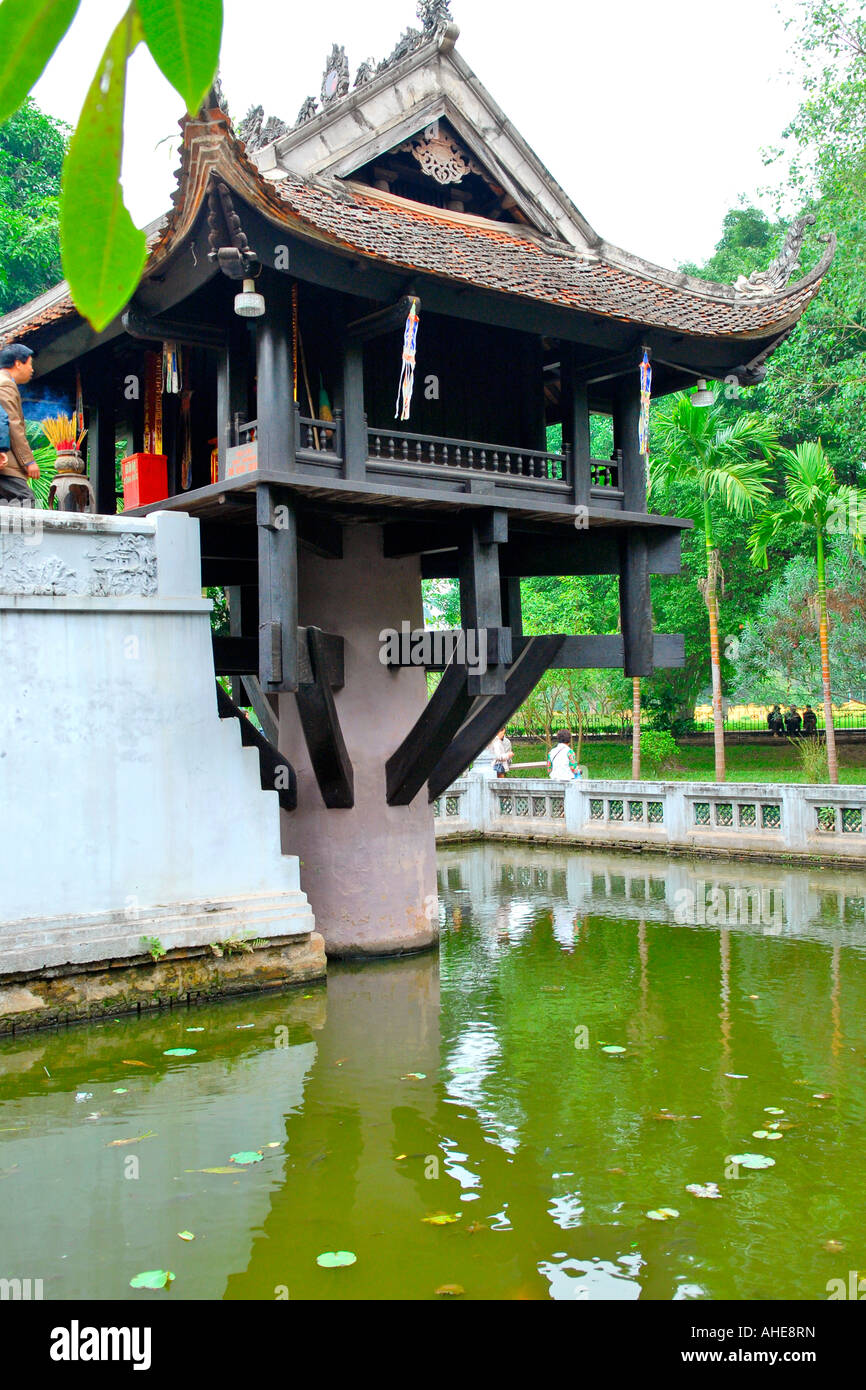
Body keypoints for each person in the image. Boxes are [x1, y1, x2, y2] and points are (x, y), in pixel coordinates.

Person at [0, 343, 39, 507]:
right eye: (29, 364)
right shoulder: (5, 384)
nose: (32, 370)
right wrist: (28, 462)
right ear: (17, 363)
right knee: (24, 501)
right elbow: (12, 425)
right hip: (6, 464)